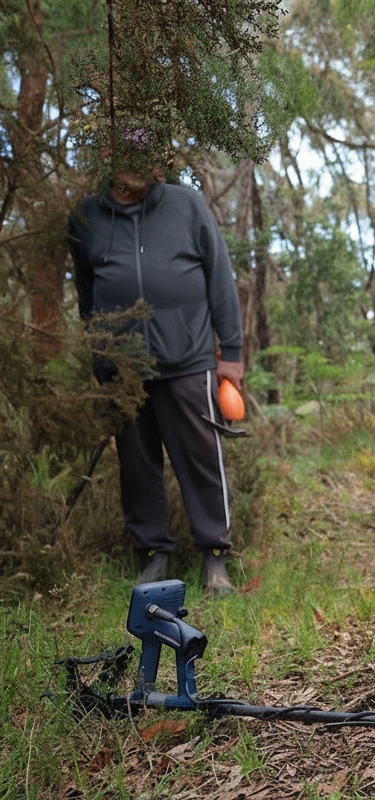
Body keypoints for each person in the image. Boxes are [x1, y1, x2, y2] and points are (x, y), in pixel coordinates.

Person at [69, 129, 245, 597]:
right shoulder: (86, 216)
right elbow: (87, 297)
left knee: (203, 460)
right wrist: (100, 359)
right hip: (125, 371)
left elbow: (219, 277)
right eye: (125, 153)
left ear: (160, 162)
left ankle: (215, 557)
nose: (136, 163)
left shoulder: (186, 206)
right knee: (137, 465)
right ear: (108, 154)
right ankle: (154, 556)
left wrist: (232, 353)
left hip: (189, 361)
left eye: (146, 155)